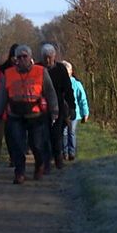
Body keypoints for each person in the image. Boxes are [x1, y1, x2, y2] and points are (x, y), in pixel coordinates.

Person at [0, 45, 57, 184]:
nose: (22, 59)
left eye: (25, 56)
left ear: (30, 57)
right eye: (19, 57)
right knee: (17, 145)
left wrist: (54, 111)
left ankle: (39, 165)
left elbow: (50, 92)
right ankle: (20, 172)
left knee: (37, 145)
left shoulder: (41, 71)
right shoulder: (8, 74)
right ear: (15, 59)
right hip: (15, 116)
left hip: (36, 116)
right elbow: (2, 95)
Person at [38, 43, 76, 171]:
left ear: (54, 56)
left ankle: (58, 157)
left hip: (58, 106)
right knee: (43, 134)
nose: (47, 60)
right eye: (45, 57)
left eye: (49, 57)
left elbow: (68, 89)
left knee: (57, 134)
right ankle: (45, 160)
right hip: (40, 107)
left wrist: (72, 106)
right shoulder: (37, 68)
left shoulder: (60, 69)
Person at [61, 61, 89, 161]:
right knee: (63, 132)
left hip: (74, 113)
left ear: (71, 72)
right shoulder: (59, 83)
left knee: (71, 132)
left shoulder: (77, 84)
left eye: (68, 71)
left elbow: (82, 99)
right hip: (62, 114)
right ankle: (64, 152)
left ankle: (71, 152)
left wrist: (85, 113)